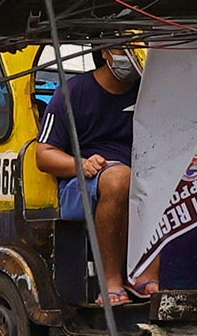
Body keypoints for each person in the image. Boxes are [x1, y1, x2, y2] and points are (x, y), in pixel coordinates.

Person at [32, 41, 147, 307]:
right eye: (123, 50)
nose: (130, 57)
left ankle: (147, 277)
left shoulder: (147, 91)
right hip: (82, 183)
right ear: (105, 52)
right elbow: (44, 153)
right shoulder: (71, 93)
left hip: (140, 176)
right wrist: (81, 164)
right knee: (120, 179)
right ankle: (111, 283)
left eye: (136, 49)